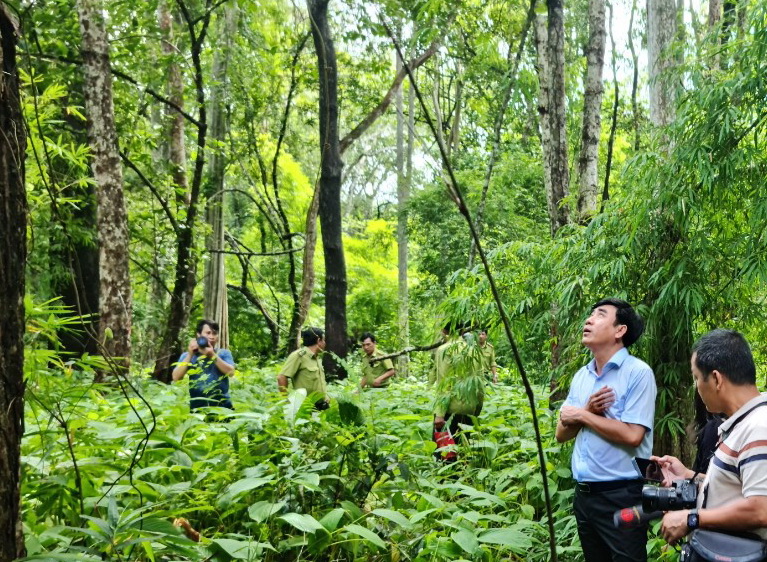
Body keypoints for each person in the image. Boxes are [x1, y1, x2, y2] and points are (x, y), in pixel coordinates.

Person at [556, 298, 656, 562]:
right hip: (585, 496)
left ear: (619, 330)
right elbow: (561, 434)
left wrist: (581, 415)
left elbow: (634, 436)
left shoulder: (638, 373)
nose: (589, 320)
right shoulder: (582, 376)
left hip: (622, 494)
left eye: (600, 315)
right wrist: (587, 410)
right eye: (590, 315)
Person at [652, 329, 767, 545]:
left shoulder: (759, 428)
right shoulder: (741, 422)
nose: (697, 387)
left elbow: (761, 509)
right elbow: (737, 487)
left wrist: (692, 518)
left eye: (696, 378)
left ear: (716, 378)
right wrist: (688, 475)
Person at [433, 325, 484, 439]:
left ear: (443, 331)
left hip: (450, 409)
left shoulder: (444, 350)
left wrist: (439, 414)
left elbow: (444, 382)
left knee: (446, 453)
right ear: (462, 330)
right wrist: (477, 408)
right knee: (463, 452)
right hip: (470, 408)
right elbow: (479, 383)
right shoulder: (474, 350)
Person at [172, 319, 235, 411]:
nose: (212, 337)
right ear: (198, 334)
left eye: (214, 333)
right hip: (197, 407)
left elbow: (231, 372)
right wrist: (190, 354)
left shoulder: (223, 353)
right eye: (208, 333)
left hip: (223, 406)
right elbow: (176, 377)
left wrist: (212, 355)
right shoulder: (188, 355)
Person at [277, 327, 330, 409]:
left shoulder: (317, 358)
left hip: (322, 407)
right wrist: (286, 401)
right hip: (305, 407)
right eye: (324, 340)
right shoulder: (298, 356)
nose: (325, 343)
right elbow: (281, 377)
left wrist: (326, 397)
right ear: (318, 340)